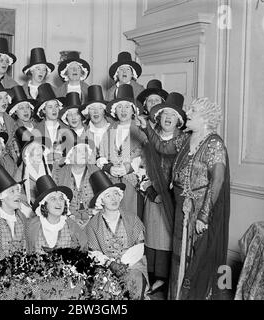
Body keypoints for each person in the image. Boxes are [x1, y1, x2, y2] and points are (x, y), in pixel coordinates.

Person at [137, 97, 230, 300]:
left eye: (193, 110)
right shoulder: (186, 138)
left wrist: (204, 216)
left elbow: (217, 180)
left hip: (200, 211)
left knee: (198, 258)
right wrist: (146, 128)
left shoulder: (214, 144)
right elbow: (163, 147)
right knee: (180, 256)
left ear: (205, 118)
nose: (187, 112)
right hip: (182, 208)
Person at [142, 92, 186, 295]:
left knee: (168, 237)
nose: (168, 118)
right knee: (152, 235)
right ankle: (151, 277)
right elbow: (141, 166)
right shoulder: (149, 139)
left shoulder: (183, 141)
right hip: (152, 196)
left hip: (174, 199)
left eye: (173, 115)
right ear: (158, 117)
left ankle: (165, 279)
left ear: (179, 121)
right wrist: (150, 191)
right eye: (165, 114)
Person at [85, 170, 149, 300]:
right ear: (101, 201)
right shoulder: (93, 224)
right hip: (104, 267)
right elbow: (93, 253)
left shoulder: (132, 219)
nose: (114, 198)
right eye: (108, 196)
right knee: (101, 285)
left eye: (115, 194)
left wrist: (125, 264)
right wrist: (110, 264)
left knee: (134, 280)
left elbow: (140, 246)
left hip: (132, 265)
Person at [98, 84, 146, 218]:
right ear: (115, 111)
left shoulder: (141, 132)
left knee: (130, 218)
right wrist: (108, 167)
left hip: (132, 184)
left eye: (127, 107)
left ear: (133, 110)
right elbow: (101, 156)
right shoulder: (109, 129)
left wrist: (129, 168)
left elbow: (146, 158)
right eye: (120, 107)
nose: (123, 110)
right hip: (111, 184)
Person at [26, 175, 87, 254]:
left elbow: (84, 250)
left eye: (61, 198)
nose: (59, 203)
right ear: (44, 204)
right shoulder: (31, 226)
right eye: (53, 199)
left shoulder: (71, 226)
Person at [53, 138, 99, 229]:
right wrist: (71, 217)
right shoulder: (59, 174)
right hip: (68, 218)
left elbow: (104, 198)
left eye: (85, 151)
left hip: (94, 217)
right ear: (70, 155)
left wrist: (91, 218)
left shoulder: (96, 171)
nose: (83, 154)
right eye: (78, 151)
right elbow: (55, 201)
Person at [14, 126, 52, 206]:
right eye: (33, 148)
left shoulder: (48, 166)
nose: (38, 150)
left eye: (39, 147)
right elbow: (15, 193)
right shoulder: (21, 171)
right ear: (27, 152)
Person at [33, 83, 67, 164]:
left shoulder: (67, 129)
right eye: (50, 107)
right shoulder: (36, 131)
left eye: (56, 106)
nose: (54, 110)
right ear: (43, 110)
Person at [6, 85, 37, 163]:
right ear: (15, 112)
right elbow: (16, 157)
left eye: (27, 107)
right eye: (21, 108)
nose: (25, 111)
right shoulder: (14, 131)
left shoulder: (38, 124)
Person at [82, 85, 112, 158]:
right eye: (92, 108)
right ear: (88, 112)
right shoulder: (82, 133)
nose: (96, 111)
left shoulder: (114, 128)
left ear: (104, 111)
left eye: (100, 108)